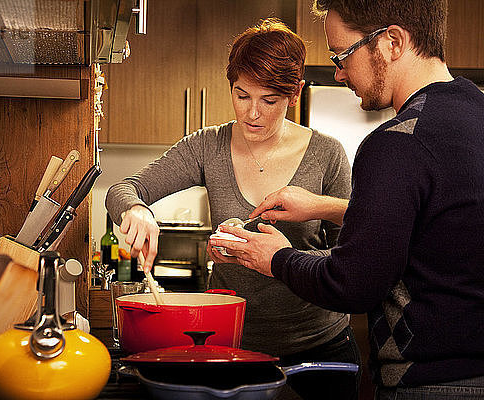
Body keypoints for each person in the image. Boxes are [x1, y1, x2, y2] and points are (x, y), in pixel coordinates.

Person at [210, 1, 484, 399]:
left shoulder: (397, 143)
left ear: (392, 42)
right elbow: (435, 223)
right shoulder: (475, 114)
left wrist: (275, 258)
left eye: (343, 55)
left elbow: (353, 283)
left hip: (430, 382)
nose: (339, 73)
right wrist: (325, 206)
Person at [106, 18, 361, 400]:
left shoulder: (327, 154)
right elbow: (124, 188)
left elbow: (351, 258)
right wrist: (136, 210)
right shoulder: (208, 145)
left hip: (319, 347)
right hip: (232, 349)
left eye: (269, 100)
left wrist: (283, 259)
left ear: (294, 94)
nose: (252, 113)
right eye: (242, 95)